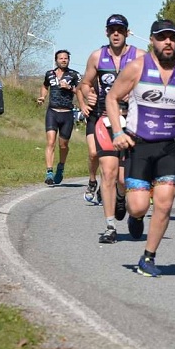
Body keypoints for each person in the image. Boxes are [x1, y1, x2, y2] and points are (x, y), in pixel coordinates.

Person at [106, 19, 175, 277]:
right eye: (162, 37)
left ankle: (148, 257)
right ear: (152, 40)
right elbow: (112, 97)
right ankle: (133, 215)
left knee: (163, 204)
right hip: (139, 145)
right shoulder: (137, 68)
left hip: (169, 147)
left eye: (172, 37)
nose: (168, 42)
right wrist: (117, 131)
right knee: (139, 206)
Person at [78, 14, 147, 243]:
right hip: (106, 121)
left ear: (127, 32)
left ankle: (124, 201)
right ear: (106, 32)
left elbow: (154, 83)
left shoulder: (139, 56)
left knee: (123, 178)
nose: (116, 33)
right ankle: (109, 227)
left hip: (133, 122)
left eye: (120, 30)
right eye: (112, 30)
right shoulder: (97, 56)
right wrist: (86, 96)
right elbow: (85, 83)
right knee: (107, 172)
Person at [37, 50, 82, 185]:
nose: (63, 60)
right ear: (56, 60)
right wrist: (42, 97)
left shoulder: (74, 74)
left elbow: (81, 90)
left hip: (67, 113)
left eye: (66, 58)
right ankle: (49, 172)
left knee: (63, 145)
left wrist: (69, 87)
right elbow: (45, 85)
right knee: (50, 142)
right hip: (52, 112)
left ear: (69, 60)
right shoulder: (49, 74)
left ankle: (60, 167)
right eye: (61, 58)